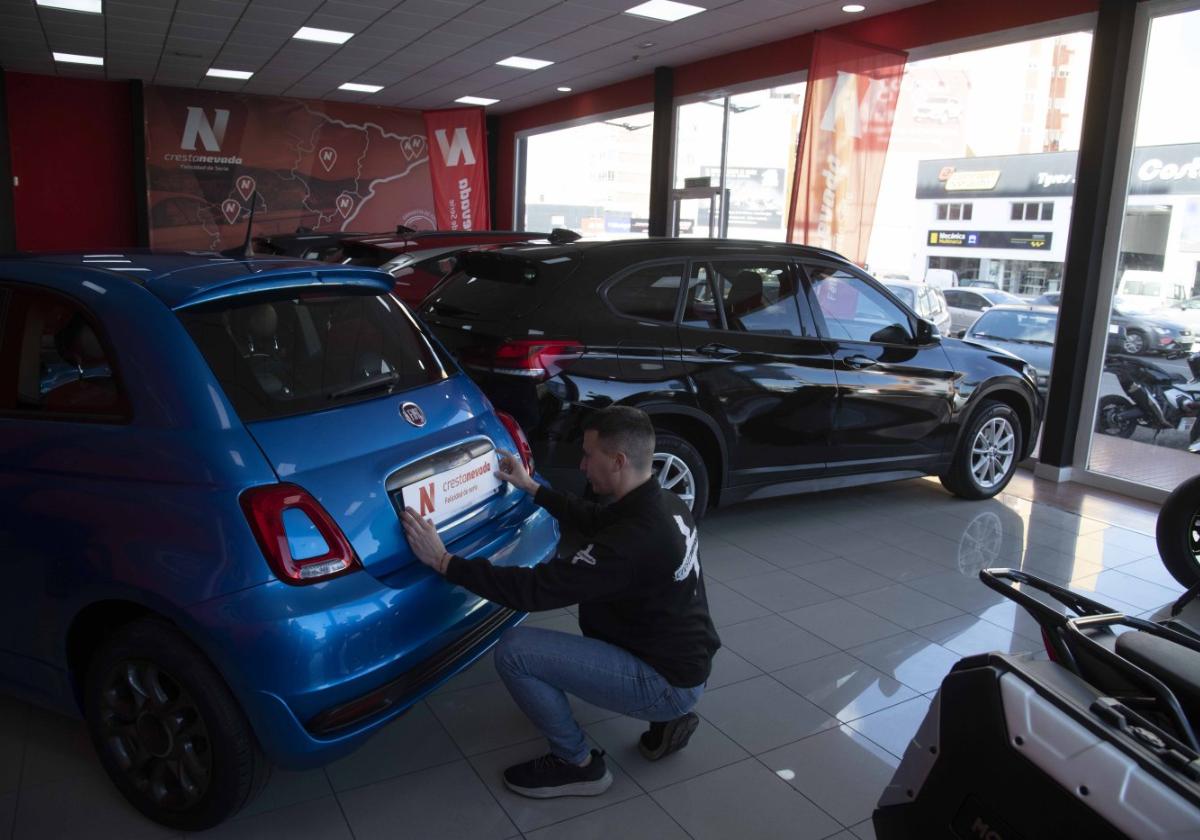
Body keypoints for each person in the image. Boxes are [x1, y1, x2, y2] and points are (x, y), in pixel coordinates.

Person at [402, 406, 720, 799]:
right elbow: (594, 518)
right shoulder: (662, 502)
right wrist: (531, 486)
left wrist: (444, 562)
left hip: (668, 680)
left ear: (618, 461)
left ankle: (577, 764)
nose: (583, 466)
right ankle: (667, 719)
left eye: (589, 456)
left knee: (516, 651)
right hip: (687, 658)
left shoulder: (632, 542)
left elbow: (535, 590)